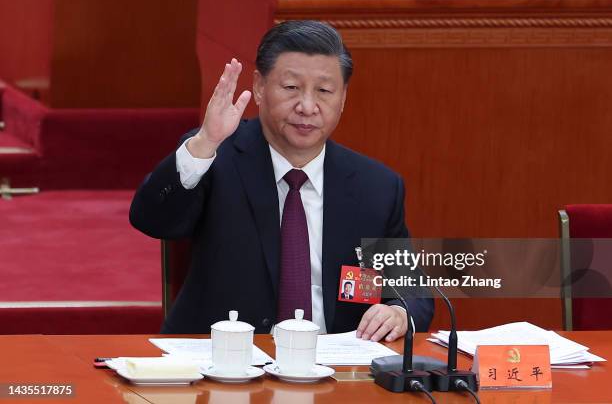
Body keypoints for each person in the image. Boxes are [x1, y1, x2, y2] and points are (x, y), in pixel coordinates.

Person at [130, 20, 433, 342]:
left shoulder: (376, 187)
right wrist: (205, 142)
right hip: (225, 361)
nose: (306, 106)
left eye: (324, 91)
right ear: (259, 87)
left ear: (343, 98)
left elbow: (411, 290)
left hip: (337, 366)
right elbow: (152, 220)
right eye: (290, 88)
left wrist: (398, 312)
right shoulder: (215, 158)